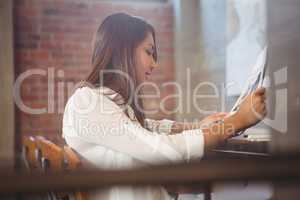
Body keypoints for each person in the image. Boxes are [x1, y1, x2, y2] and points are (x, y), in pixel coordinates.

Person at [62, 13, 267, 200]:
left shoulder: (108, 104)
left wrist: (198, 127)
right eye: (149, 52)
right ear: (122, 50)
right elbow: (159, 149)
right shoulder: (87, 103)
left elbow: (148, 128)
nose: (154, 63)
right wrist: (236, 121)